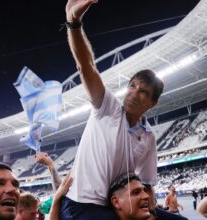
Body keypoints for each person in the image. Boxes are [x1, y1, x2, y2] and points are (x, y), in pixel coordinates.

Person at [62, 0, 164, 219]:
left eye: (143, 92)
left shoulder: (148, 137)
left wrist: (152, 213)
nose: (134, 93)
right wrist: (73, 23)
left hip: (118, 206)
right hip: (82, 204)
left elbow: (147, 184)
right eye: (132, 86)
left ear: (151, 103)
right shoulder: (107, 108)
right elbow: (85, 65)